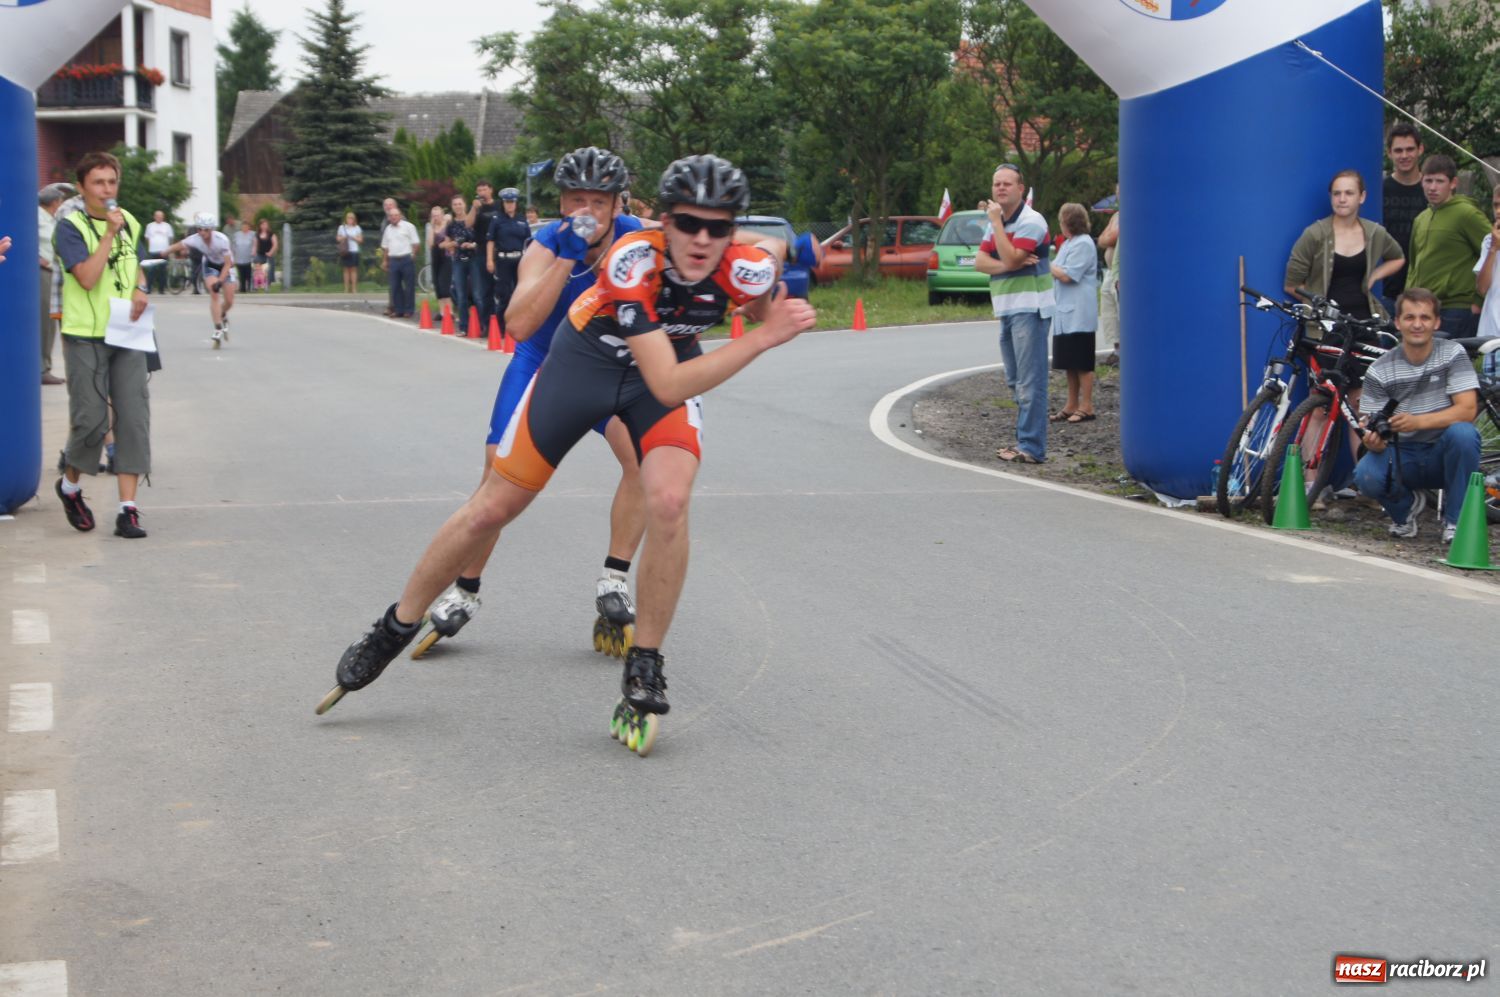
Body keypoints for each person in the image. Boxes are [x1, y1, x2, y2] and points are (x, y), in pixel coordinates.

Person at [318, 154, 815, 736]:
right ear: (664, 222)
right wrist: (766, 337)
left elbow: (760, 271)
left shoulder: (744, 260)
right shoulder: (632, 261)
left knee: (671, 502)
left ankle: (646, 664)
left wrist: (778, 283)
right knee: (493, 506)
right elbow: (670, 384)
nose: (701, 240)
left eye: (718, 226)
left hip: (661, 370)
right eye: (687, 223)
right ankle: (392, 628)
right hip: (586, 365)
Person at [414, 147, 649, 656]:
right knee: (495, 476)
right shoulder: (547, 243)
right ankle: (466, 589)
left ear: (618, 203)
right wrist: (566, 256)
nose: (587, 210)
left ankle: (614, 578)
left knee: (642, 462)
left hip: (602, 364)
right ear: (562, 202)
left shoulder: (642, 238)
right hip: (542, 359)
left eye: (599, 200)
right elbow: (519, 324)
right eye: (576, 199)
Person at [51, 151, 152, 539]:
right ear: (82, 188)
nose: (107, 190)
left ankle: (128, 510)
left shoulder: (129, 221)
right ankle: (71, 487)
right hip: (85, 334)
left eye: (112, 182)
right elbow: (89, 278)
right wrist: (107, 233)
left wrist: (141, 286)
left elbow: (134, 263)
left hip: (126, 331)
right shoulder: (71, 227)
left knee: (133, 417)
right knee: (91, 421)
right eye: (98, 183)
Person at [1353, 288, 1481, 544]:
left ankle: (1456, 522)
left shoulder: (1452, 353)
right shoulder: (1379, 370)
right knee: (1365, 474)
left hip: (1442, 451)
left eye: (1425, 318)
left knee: (1464, 434)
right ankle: (1406, 512)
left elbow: (1467, 409)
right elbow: (1370, 423)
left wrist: (1417, 421)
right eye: (1410, 318)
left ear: (1437, 322)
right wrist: (1372, 441)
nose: (1418, 324)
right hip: (1402, 452)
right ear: (1398, 322)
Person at [974, 163, 1052, 463]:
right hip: (1006, 307)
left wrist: (997, 230)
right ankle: (1024, 441)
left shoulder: (1032, 221)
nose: (1001, 188)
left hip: (1030, 308)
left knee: (1030, 381)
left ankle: (1031, 447)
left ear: (1021, 189)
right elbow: (980, 262)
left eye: (1007, 183)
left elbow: (1007, 254)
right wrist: (1011, 264)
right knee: (1015, 380)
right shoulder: (997, 222)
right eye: (997, 184)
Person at [1285, 170, 1406, 322]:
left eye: (1349, 193)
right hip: (1325, 325)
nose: (1342, 199)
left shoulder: (1374, 232)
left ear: (1362, 197)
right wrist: (1318, 305)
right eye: (1337, 194)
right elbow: (1291, 285)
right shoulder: (1314, 234)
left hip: (1364, 321)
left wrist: (1374, 275)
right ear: (1331, 197)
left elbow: (1398, 258)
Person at [1405, 155, 1490, 340]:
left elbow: (1494, 253)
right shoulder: (1421, 218)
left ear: (1453, 183)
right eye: (1428, 180)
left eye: (1439, 181)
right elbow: (1413, 265)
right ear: (1421, 181)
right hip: (1424, 309)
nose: (1433, 187)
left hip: (1457, 308)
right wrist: (1407, 301)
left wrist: (1478, 301)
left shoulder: (1467, 214)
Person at [1048, 203, 1099, 423]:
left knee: (1082, 361)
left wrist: (1045, 264)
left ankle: (1087, 405)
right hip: (1065, 312)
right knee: (1068, 361)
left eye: (1061, 220)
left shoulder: (1084, 244)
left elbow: (1069, 275)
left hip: (1079, 312)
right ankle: (1071, 403)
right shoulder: (1069, 244)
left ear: (1069, 222)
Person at [163, 214, 238, 347]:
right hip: (210, 265)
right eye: (200, 229)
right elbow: (179, 245)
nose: (202, 233)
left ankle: (223, 313)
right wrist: (164, 252)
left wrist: (220, 281)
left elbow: (227, 264)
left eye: (206, 230)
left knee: (229, 300)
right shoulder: (195, 239)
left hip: (226, 266)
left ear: (212, 229)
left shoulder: (222, 240)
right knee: (214, 294)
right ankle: (218, 327)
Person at [1380, 122, 1427, 315]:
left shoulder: (1432, 190)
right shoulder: (1379, 190)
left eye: (1410, 149)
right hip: (1386, 291)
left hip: (1425, 292)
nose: (1404, 156)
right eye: (1398, 150)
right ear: (1389, 153)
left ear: (1420, 149)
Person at [487, 186, 530, 333]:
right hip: (503, 260)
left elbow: (528, 241)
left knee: (521, 293)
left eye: (512, 202)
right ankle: (501, 328)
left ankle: (520, 326)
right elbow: (491, 241)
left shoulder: (522, 219)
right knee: (504, 294)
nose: (510, 205)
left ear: (516, 203)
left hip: (519, 260)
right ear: (503, 203)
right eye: (507, 202)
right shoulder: (497, 220)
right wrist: (489, 260)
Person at [38, 186, 67, 385]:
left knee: (51, 320)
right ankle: (42, 368)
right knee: (46, 323)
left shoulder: (49, 218)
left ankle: (43, 366)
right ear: (55, 202)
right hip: (43, 273)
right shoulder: (37, 218)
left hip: (55, 274)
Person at [466, 182, 500, 332]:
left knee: (501, 289)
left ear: (491, 190)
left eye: (484, 189)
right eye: (479, 190)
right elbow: (468, 224)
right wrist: (474, 208)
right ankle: (486, 323)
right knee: (484, 290)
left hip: (498, 251)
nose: (482, 192)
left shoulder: (498, 206)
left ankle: (500, 322)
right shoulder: (477, 208)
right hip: (481, 252)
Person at [1474, 184, 1500, 375]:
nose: (1498, 211)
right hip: (1491, 334)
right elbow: (1482, 288)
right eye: (1495, 205)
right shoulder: (1488, 241)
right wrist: (1493, 249)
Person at [443, 195, 477, 335]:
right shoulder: (451, 225)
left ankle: (481, 323)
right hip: (459, 260)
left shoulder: (473, 220)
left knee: (478, 293)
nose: (458, 206)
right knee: (460, 294)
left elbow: (481, 238)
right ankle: (464, 326)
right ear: (452, 207)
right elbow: (445, 243)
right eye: (455, 204)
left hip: (474, 259)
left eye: (460, 204)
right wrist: (453, 244)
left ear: (465, 205)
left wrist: (472, 245)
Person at [379, 202, 419, 318]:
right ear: (388, 217)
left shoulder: (409, 226)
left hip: (406, 258)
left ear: (400, 215)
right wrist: (385, 261)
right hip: (393, 260)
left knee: (409, 286)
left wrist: (413, 254)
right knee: (395, 286)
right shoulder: (388, 229)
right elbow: (386, 247)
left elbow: (416, 243)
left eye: (396, 215)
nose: (393, 217)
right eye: (391, 216)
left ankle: (409, 310)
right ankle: (398, 309)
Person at [1096, 198, 1120, 367]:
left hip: (1121, 273)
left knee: (1121, 311)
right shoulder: (1116, 216)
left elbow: (1112, 237)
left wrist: (1108, 237)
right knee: (1109, 312)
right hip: (1110, 271)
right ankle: (1117, 350)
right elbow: (1102, 240)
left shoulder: (1129, 215)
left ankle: (1127, 351)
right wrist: (1107, 237)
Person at [426, 204, 453, 307]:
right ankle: (442, 312)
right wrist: (432, 227)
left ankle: (449, 310)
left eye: (438, 215)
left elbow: (451, 218)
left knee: (444, 284)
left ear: (442, 215)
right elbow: (431, 244)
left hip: (445, 255)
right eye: (433, 216)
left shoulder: (447, 224)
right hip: (435, 254)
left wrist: (446, 220)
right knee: (437, 284)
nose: (436, 218)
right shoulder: (431, 227)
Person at [143, 208, 174, 294]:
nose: (159, 218)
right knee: (151, 271)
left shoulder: (167, 226)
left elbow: (170, 238)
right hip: (153, 251)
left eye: (161, 216)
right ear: (154, 217)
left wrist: (170, 249)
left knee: (162, 271)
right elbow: (147, 238)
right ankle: (148, 288)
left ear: (163, 217)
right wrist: (150, 247)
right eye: (157, 216)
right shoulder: (150, 226)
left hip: (164, 251)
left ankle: (161, 290)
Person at [336, 212, 363, 293]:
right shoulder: (341, 227)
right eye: (348, 218)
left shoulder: (357, 228)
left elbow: (361, 240)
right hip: (345, 251)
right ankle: (346, 288)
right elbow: (338, 239)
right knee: (346, 270)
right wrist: (344, 237)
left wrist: (354, 237)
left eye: (351, 218)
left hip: (354, 250)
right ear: (346, 219)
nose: (350, 220)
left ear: (354, 219)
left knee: (354, 270)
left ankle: (354, 288)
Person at [230, 219, 256, 291]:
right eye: (243, 226)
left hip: (249, 258)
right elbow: (233, 246)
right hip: (239, 258)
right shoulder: (237, 234)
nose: (244, 228)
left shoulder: (253, 234)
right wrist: (232, 255)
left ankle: (250, 288)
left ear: (249, 227)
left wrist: (254, 251)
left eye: (246, 226)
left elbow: (255, 244)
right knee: (241, 274)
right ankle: (242, 288)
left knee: (249, 274)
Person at [254, 218, 278, 288]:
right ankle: (257, 284)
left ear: (267, 225)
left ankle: (268, 284)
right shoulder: (257, 234)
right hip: (260, 255)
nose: (264, 226)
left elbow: (275, 244)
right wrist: (254, 252)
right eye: (262, 224)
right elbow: (255, 245)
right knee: (257, 267)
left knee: (269, 269)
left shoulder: (271, 234)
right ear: (260, 226)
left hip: (268, 255)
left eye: (265, 224)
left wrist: (270, 252)